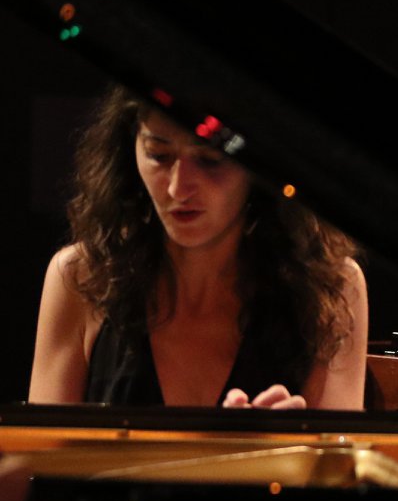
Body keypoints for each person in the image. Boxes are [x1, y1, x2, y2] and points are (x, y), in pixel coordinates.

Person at [28, 87, 368, 410]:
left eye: (209, 159)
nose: (178, 188)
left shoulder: (331, 286)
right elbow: (34, 461)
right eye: (159, 155)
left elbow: (343, 462)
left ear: (261, 163)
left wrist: (291, 449)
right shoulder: (80, 275)